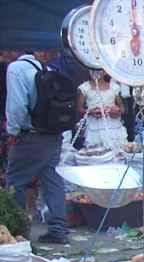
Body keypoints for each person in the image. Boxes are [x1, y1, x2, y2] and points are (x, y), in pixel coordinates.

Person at [5, 50, 68, 244]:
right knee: (52, 179)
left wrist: (13, 131)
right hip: (53, 134)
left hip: (30, 135)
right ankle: (58, 229)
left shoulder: (16, 69)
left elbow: (17, 106)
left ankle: (16, 231)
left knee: (15, 182)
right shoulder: (48, 69)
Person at [77, 71, 127, 150]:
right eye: (92, 70)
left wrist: (116, 112)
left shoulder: (114, 87)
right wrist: (91, 112)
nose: (95, 73)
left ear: (105, 72)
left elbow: (122, 108)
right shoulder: (85, 87)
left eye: (98, 70)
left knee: (117, 148)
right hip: (94, 125)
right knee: (96, 150)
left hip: (113, 125)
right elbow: (79, 109)